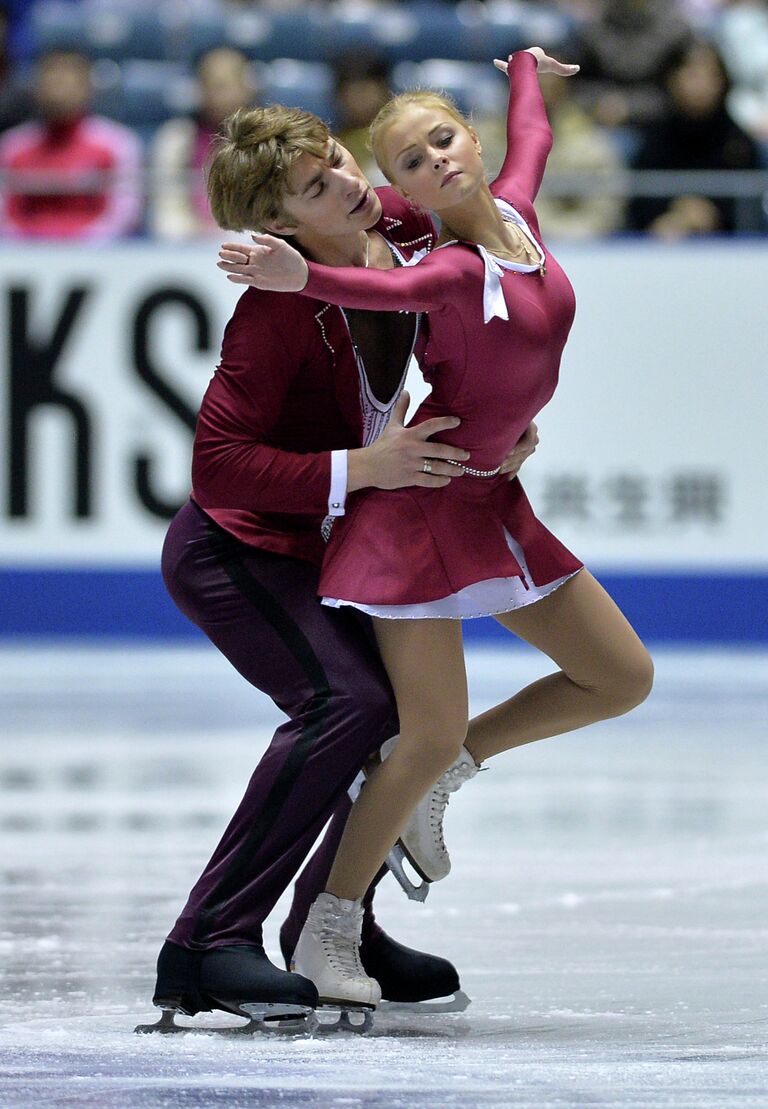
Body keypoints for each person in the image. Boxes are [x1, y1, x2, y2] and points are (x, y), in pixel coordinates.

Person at [219, 47, 655, 1010]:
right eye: (410, 162)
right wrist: (294, 275)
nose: (436, 165)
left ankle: (450, 770)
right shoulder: (449, 271)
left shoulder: (520, 217)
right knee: (419, 730)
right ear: (398, 185)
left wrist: (530, 69)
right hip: (416, 511)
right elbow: (380, 292)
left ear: (473, 138)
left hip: (493, 498)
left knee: (620, 675)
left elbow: (533, 132)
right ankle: (328, 931)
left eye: (445, 140)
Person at [146, 101, 540, 1031]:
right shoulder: (271, 317)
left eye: (338, 162)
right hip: (233, 548)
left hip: (320, 538)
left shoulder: (394, 229)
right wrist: (363, 467)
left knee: (404, 715)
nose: (352, 185)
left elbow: (484, 308)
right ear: (281, 226)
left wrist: (506, 420)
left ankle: (336, 927)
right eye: (320, 188)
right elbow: (215, 463)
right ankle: (205, 941)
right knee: (347, 703)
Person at [0, 48, 142, 239]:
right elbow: (4, 217)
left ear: (88, 86)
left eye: (70, 76)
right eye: (51, 75)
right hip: (24, 257)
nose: (59, 84)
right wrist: (33, 249)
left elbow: (124, 214)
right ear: (36, 86)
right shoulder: (13, 146)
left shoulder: (118, 143)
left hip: (95, 259)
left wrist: (74, 250)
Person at [627, 38, 763, 237]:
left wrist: (710, 214)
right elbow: (638, 206)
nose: (700, 83)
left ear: (723, 81)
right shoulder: (653, 139)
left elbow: (750, 213)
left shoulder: (739, 144)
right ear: (671, 79)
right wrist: (676, 214)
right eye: (691, 74)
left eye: (709, 75)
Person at [149, 46, 258, 241]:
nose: (217, 92)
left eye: (225, 84)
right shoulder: (176, 138)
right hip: (189, 246)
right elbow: (166, 210)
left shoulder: (272, 141)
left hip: (252, 242)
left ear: (248, 86)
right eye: (209, 83)